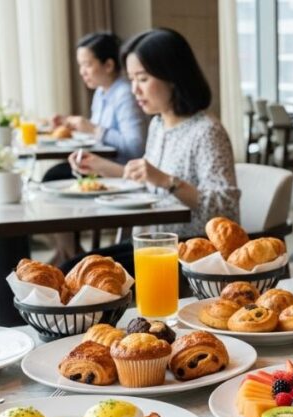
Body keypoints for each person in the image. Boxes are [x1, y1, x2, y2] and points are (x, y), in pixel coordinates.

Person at [63, 28, 239, 274]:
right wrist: (98, 166)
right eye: (132, 79)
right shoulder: (159, 124)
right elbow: (147, 179)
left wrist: (167, 181)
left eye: (143, 79)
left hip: (190, 254)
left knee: (78, 274)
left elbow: (224, 208)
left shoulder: (207, 131)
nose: (134, 89)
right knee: (72, 269)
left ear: (173, 77)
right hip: (153, 244)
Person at [46, 32, 149, 175]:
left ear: (108, 65)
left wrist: (94, 129)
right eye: (80, 65)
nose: (82, 72)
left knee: (55, 175)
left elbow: (135, 148)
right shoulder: (100, 92)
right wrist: (69, 125)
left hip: (119, 172)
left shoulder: (125, 94)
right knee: (56, 172)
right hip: (99, 166)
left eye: (87, 65)